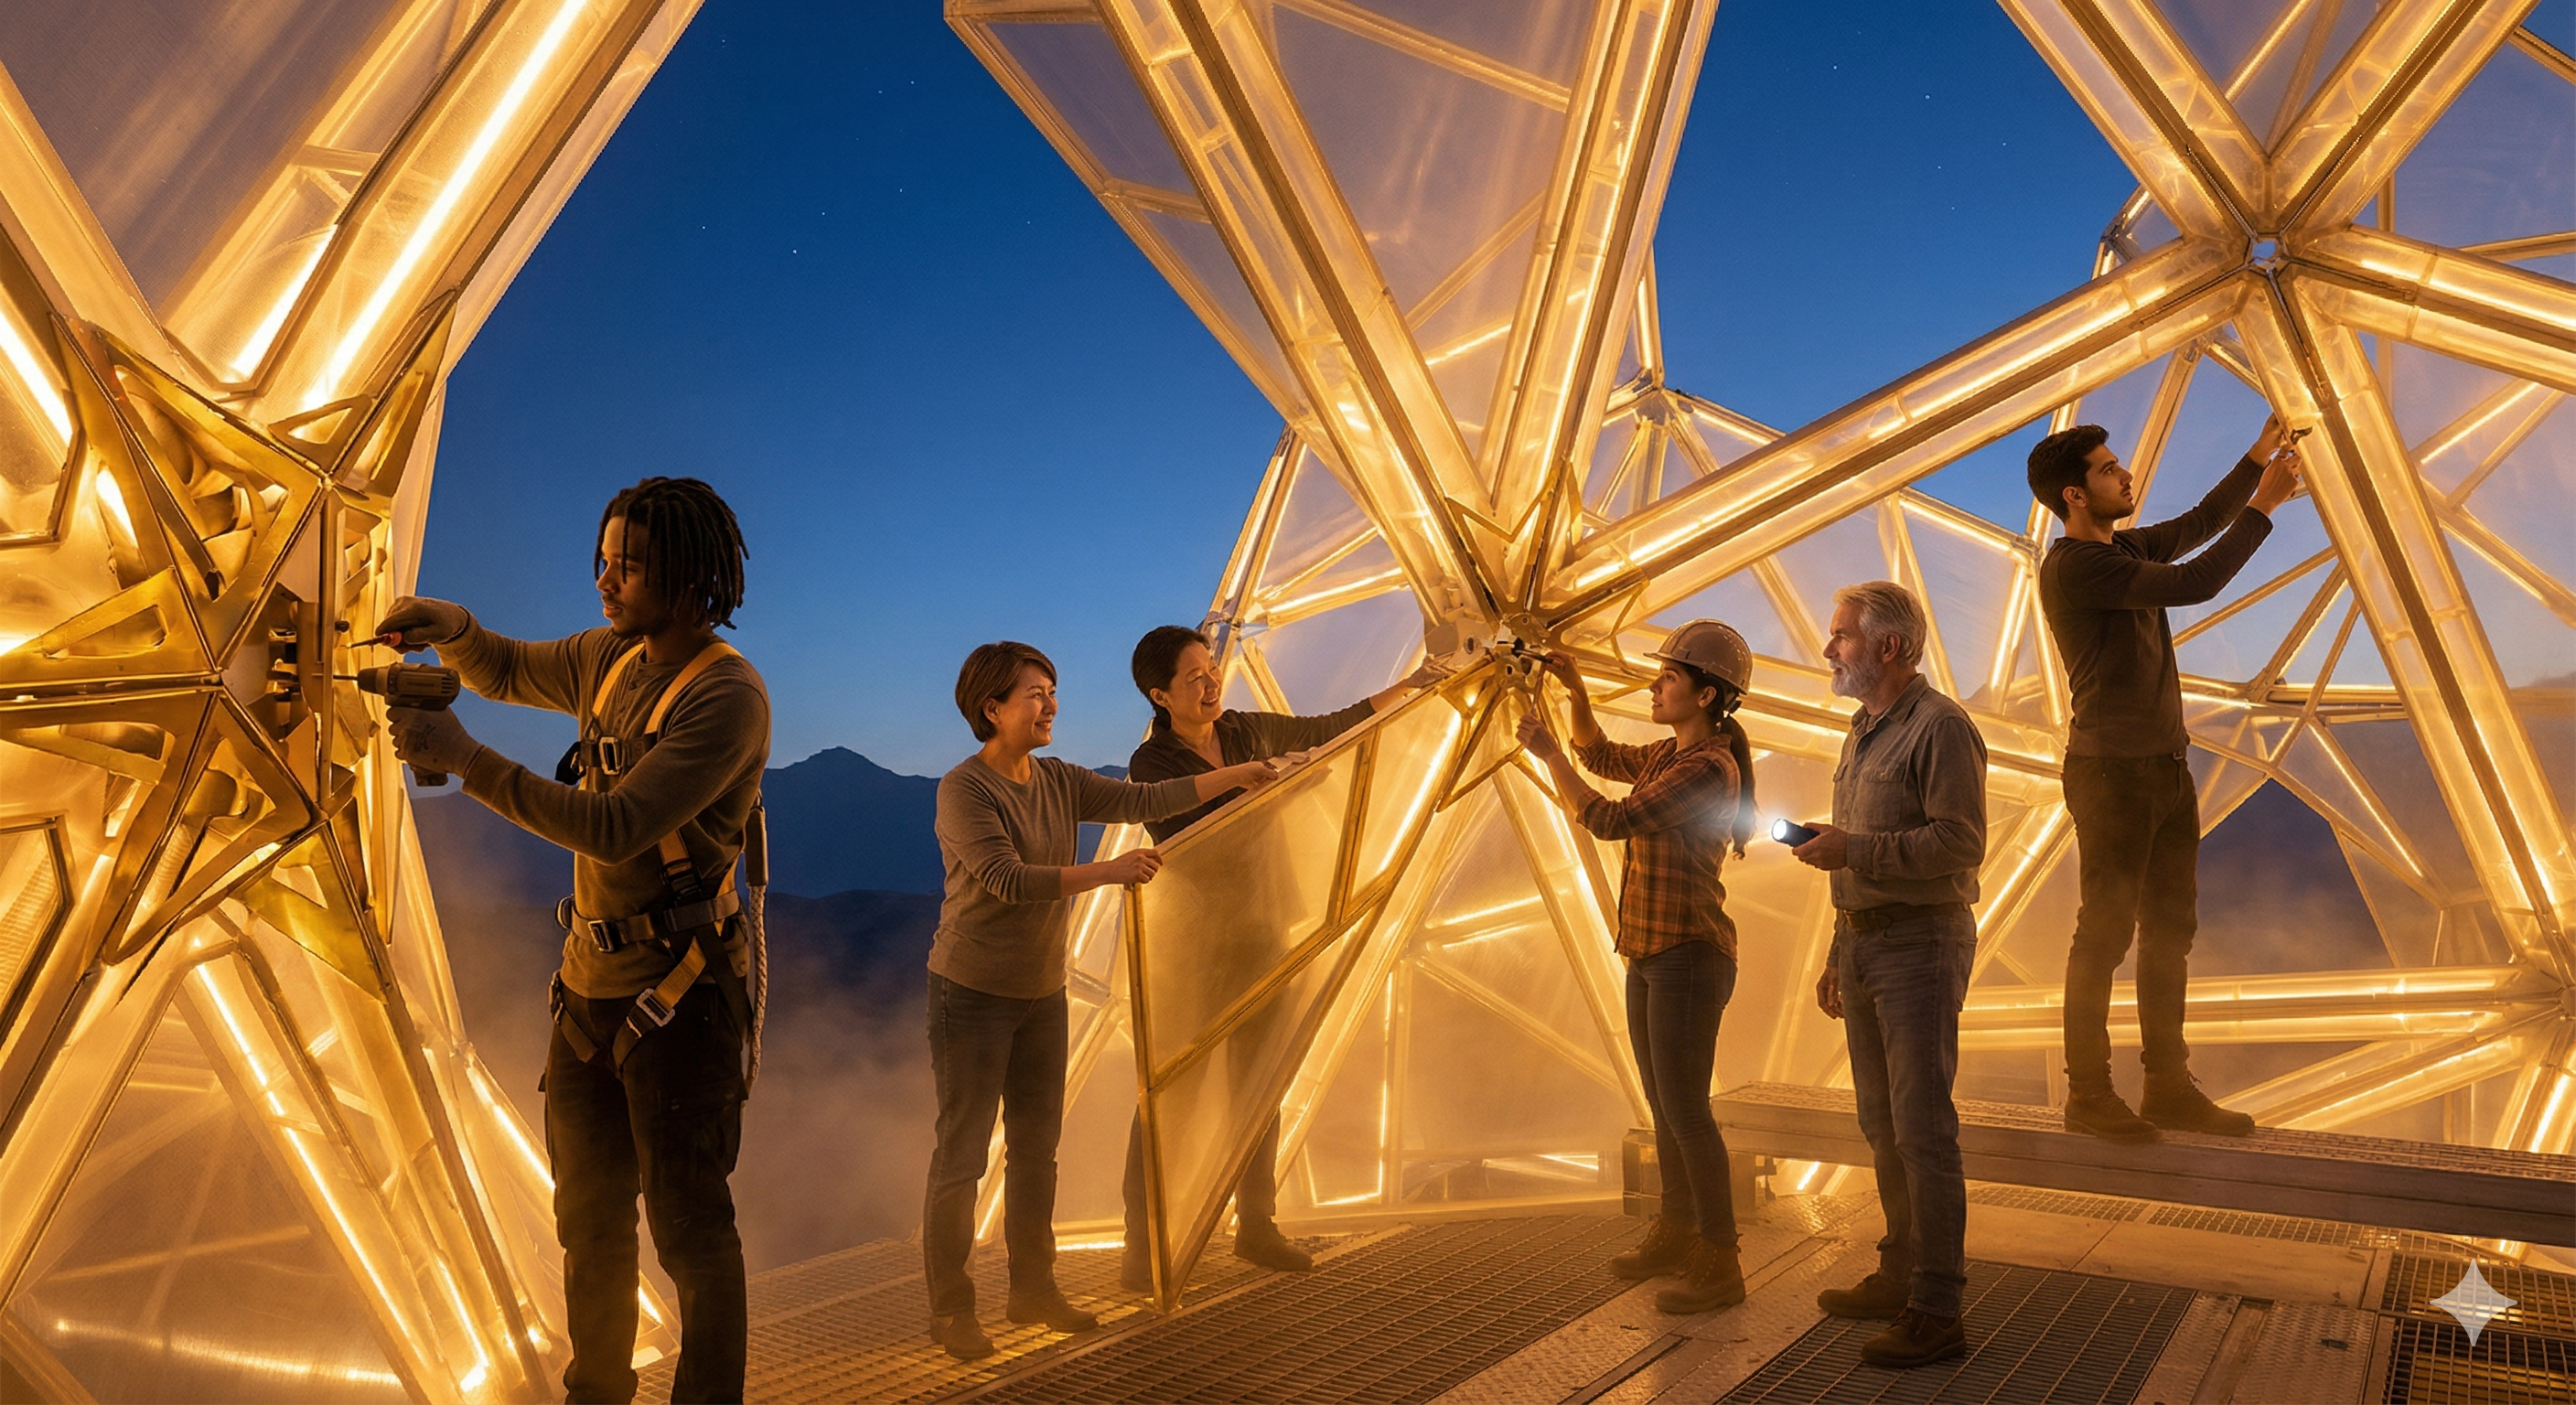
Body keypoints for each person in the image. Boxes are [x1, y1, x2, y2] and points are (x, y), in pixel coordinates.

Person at [379, 477, 766, 1404]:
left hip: (681, 1001)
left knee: (689, 1232)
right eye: (603, 559)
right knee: (588, 1222)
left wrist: (465, 761)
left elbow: (616, 826)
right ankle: (595, 1392)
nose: (606, 579)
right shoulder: (611, 659)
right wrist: (455, 625)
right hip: (592, 991)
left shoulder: (726, 699)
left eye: (628, 565)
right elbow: (509, 669)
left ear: (684, 574)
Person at [923, 640, 1283, 1361]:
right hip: (971, 994)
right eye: (1034, 693)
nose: (1050, 703)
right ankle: (952, 1311)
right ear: (991, 708)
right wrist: (1109, 870)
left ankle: (1034, 1290)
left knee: (1036, 1152)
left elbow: (1143, 798)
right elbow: (1006, 878)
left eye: (1052, 690)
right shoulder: (964, 790)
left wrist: (1239, 775)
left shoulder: (1058, 779)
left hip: (1040, 990)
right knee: (963, 1154)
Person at [1116, 625, 1445, 1293]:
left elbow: (1331, 727)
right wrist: (1281, 791)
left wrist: (1411, 687)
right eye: (1194, 678)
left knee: (1259, 1086)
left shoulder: (1241, 730)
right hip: (1200, 950)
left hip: (1268, 932)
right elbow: (1191, 835)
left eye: (1213, 670)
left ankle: (1256, 1224)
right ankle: (1142, 1242)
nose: (1211, 685)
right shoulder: (1153, 768)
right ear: (1160, 695)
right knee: (1169, 1096)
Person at [2030, 416, 2304, 1142]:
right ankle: (2089, 1095)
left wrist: (2253, 456)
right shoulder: (2078, 568)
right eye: (2108, 469)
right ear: (2075, 494)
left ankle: (2166, 1086)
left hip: (2163, 768)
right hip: (2112, 776)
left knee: (2169, 932)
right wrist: (2267, 505)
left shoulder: (2118, 547)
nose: (2125, 477)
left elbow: (2197, 526)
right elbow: (2197, 580)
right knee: (2106, 935)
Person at [1515, 623, 1759, 1316]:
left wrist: (1547, 753)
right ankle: (1680, 1232)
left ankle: (1721, 1258)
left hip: (1687, 954)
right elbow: (1601, 755)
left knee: (1687, 1112)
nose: (1654, 686)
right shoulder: (1669, 754)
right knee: (1666, 1109)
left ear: (1706, 694)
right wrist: (1574, 691)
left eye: (1668, 679)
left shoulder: (1707, 768)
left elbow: (1607, 817)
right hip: (1653, 951)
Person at [1796, 582, 1989, 1369]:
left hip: (1920, 945)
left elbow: (1959, 844)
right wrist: (1837, 952)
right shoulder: (1862, 730)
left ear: (1890, 646)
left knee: (1923, 1132)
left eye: (1841, 635)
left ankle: (1937, 1310)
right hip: (1868, 943)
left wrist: (1855, 853)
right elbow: (1857, 841)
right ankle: (1899, 1273)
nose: (1829, 647)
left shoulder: (1941, 727)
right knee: (1881, 1125)